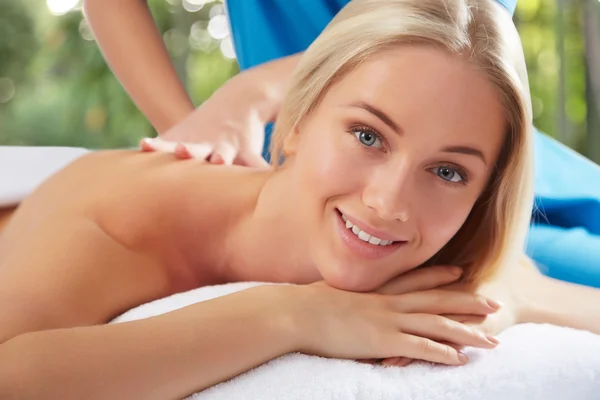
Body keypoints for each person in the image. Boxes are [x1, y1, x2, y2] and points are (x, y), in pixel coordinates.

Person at [1, 0, 599, 398]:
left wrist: (501, 301)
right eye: (367, 136)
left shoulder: (445, 248)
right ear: (292, 119)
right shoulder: (121, 223)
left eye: (447, 172)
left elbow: (554, 299)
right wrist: (291, 316)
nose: (389, 202)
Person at [85, 0, 600, 288]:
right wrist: (199, 133)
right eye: (369, 132)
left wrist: (253, 92)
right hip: (295, 151)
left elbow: (451, 28)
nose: (386, 199)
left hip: (470, 178)